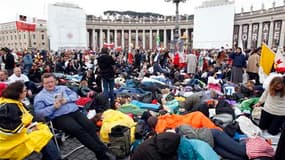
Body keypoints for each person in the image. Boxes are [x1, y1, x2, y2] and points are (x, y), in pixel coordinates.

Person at [33, 73, 112, 160]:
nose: (50, 84)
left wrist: (66, 100)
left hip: (74, 112)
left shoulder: (62, 88)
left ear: (55, 81)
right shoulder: (40, 97)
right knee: (78, 129)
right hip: (59, 117)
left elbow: (75, 96)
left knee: (90, 126)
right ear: (43, 84)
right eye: (47, 83)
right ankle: (101, 152)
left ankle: (102, 149)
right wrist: (53, 107)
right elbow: (39, 114)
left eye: (51, 82)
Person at [0, 81, 61, 160]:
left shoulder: (14, 102)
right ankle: (55, 157)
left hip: (18, 134)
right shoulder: (9, 107)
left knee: (43, 129)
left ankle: (52, 156)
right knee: (43, 135)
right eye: (25, 90)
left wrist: (33, 124)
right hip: (10, 142)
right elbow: (11, 131)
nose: (26, 92)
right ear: (18, 93)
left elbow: (26, 117)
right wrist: (30, 130)